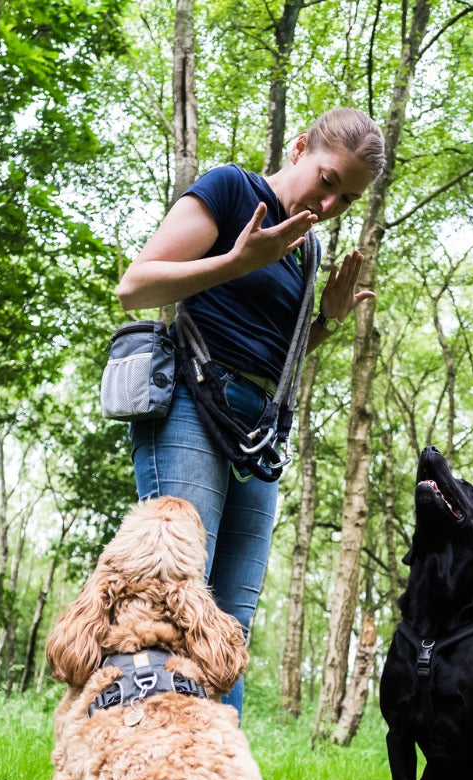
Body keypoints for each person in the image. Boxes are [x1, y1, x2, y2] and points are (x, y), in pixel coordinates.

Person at [115, 107, 384, 715]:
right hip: (188, 407)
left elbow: (277, 356)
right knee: (175, 597)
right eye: (328, 179)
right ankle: (148, 766)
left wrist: (327, 323)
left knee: (231, 620)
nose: (331, 202)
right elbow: (136, 285)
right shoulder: (232, 190)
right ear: (298, 149)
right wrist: (238, 261)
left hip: (255, 433)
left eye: (347, 198)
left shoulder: (306, 254)